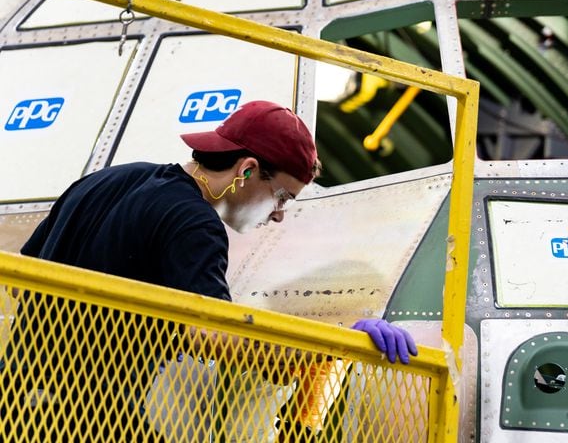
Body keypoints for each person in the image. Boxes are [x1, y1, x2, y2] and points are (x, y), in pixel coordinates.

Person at [3, 100, 417, 441]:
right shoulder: (195, 223)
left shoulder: (108, 180)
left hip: (15, 400)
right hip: (88, 420)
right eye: (281, 198)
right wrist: (332, 345)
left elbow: (24, 281)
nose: (278, 216)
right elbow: (212, 335)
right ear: (247, 170)